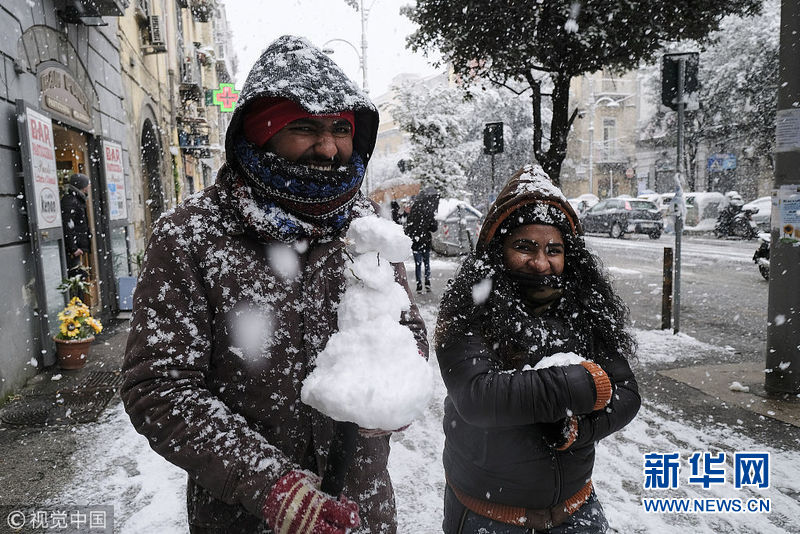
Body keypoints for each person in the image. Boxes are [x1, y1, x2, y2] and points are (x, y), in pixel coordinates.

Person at [121, 35, 428, 534]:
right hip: (243, 517)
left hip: (363, 511)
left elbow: (408, 331)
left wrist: (393, 390)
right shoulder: (191, 235)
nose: (329, 147)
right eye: (305, 127)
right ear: (260, 132)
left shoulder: (365, 227)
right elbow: (158, 387)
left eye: (342, 129)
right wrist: (272, 487)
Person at [435, 164, 640, 533]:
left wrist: (577, 431)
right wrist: (587, 384)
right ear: (499, 249)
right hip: (490, 516)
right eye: (524, 246)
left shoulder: (586, 308)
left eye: (553, 249)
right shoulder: (468, 309)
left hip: (577, 510)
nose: (541, 261)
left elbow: (626, 394)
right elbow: (478, 398)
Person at [404, 186, 439, 293]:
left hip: (416, 242)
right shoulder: (428, 212)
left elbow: (408, 229)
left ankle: (419, 284)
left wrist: (413, 236)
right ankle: (427, 282)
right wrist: (433, 221)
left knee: (418, 264)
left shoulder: (412, 212)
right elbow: (433, 228)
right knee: (426, 263)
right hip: (426, 242)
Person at [60, 173, 91, 276]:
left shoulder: (78, 199)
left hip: (78, 248)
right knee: (75, 275)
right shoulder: (71, 200)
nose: (89, 186)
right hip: (74, 251)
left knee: (79, 275)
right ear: (82, 186)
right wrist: (73, 248)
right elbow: (68, 226)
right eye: (87, 184)